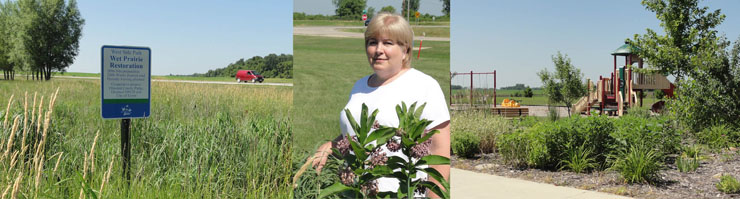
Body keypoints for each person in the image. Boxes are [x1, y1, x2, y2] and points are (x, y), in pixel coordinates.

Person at [310, 12, 450, 197]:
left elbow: (440, 150)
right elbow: (359, 132)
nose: (378, 50)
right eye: (372, 42)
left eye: (388, 43)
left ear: (405, 50)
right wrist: (332, 145)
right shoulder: (360, 86)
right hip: (358, 191)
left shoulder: (423, 85)